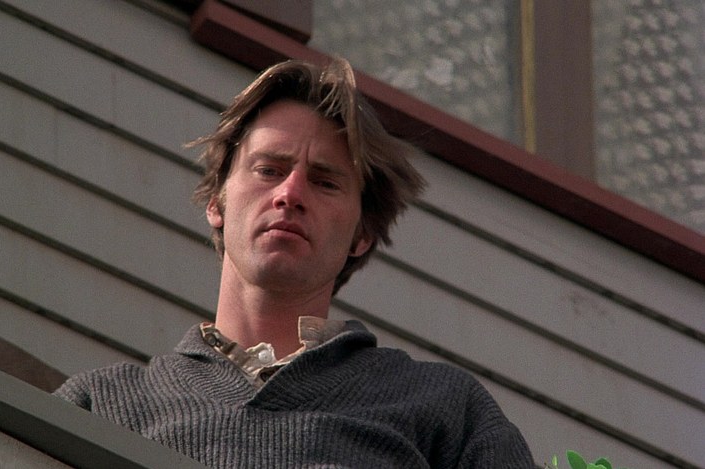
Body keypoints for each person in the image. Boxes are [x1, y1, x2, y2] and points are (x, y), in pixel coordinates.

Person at [55, 58, 535, 468]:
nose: (290, 193)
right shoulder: (99, 406)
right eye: (268, 170)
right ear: (217, 202)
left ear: (362, 235)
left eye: (324, 182)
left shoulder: (446, 408)